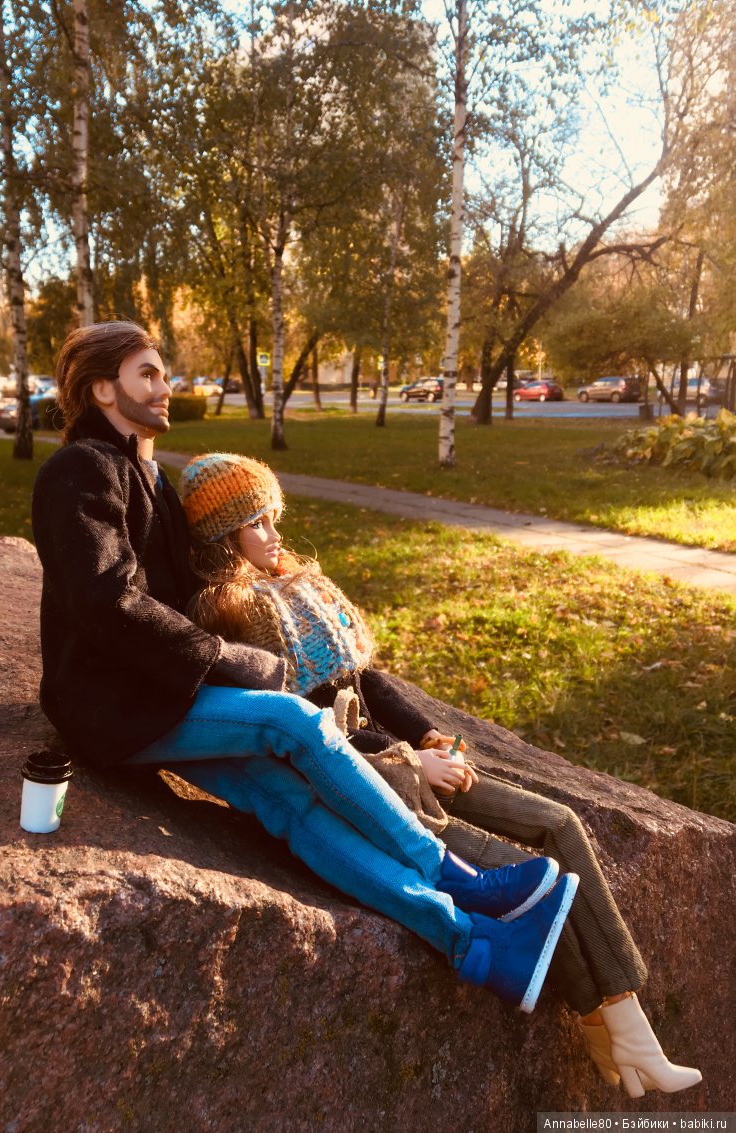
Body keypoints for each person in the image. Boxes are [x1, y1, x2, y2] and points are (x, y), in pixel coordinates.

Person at [31, 319, 578, 1020]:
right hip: (111, 707)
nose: (166, 386)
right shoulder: (79, 471)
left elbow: (193, 580)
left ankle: (476, 944)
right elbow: (108, 602)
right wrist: (226, 658)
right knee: (294, 721)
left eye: (163, 372)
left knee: (286, 804)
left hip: (160, 696)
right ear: (104, 389)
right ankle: (460, 878)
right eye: (148, 374)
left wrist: (258, 597)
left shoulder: (149, 476)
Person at [178, 450, 702, 1101]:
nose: (273, 533)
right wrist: (408, 759)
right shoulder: (227, 615)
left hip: (414, 759)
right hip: (378, 790)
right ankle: (606, 1027)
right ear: (222, 537)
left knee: (561, 822)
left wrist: (426, 733)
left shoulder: (300, 584)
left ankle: (628, 1019)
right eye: (255, 523)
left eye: (272, 516)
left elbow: (365, 681)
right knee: (536, 884)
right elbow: (305, 734)